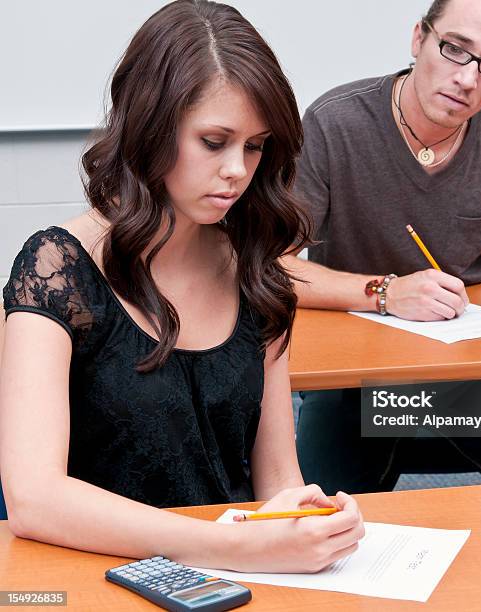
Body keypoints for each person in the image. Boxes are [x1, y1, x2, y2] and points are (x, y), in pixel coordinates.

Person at [0, 0, 364, 573]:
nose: (239, 171)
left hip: (232, 579)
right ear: (150, 129)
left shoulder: (256, 273)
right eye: (215, 142)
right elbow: (33, 500)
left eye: (255, 145)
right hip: (96, 577)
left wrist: (307, 520)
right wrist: (233, 547)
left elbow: (275, 478)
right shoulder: (55, 269)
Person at [283, 0, 481, 494]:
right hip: (355, 370)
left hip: (469, 366)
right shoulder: (334, 124)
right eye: (454, 50)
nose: (468, 78)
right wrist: (386, 292)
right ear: (419, 38)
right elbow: (274, 266)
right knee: (324, 507)